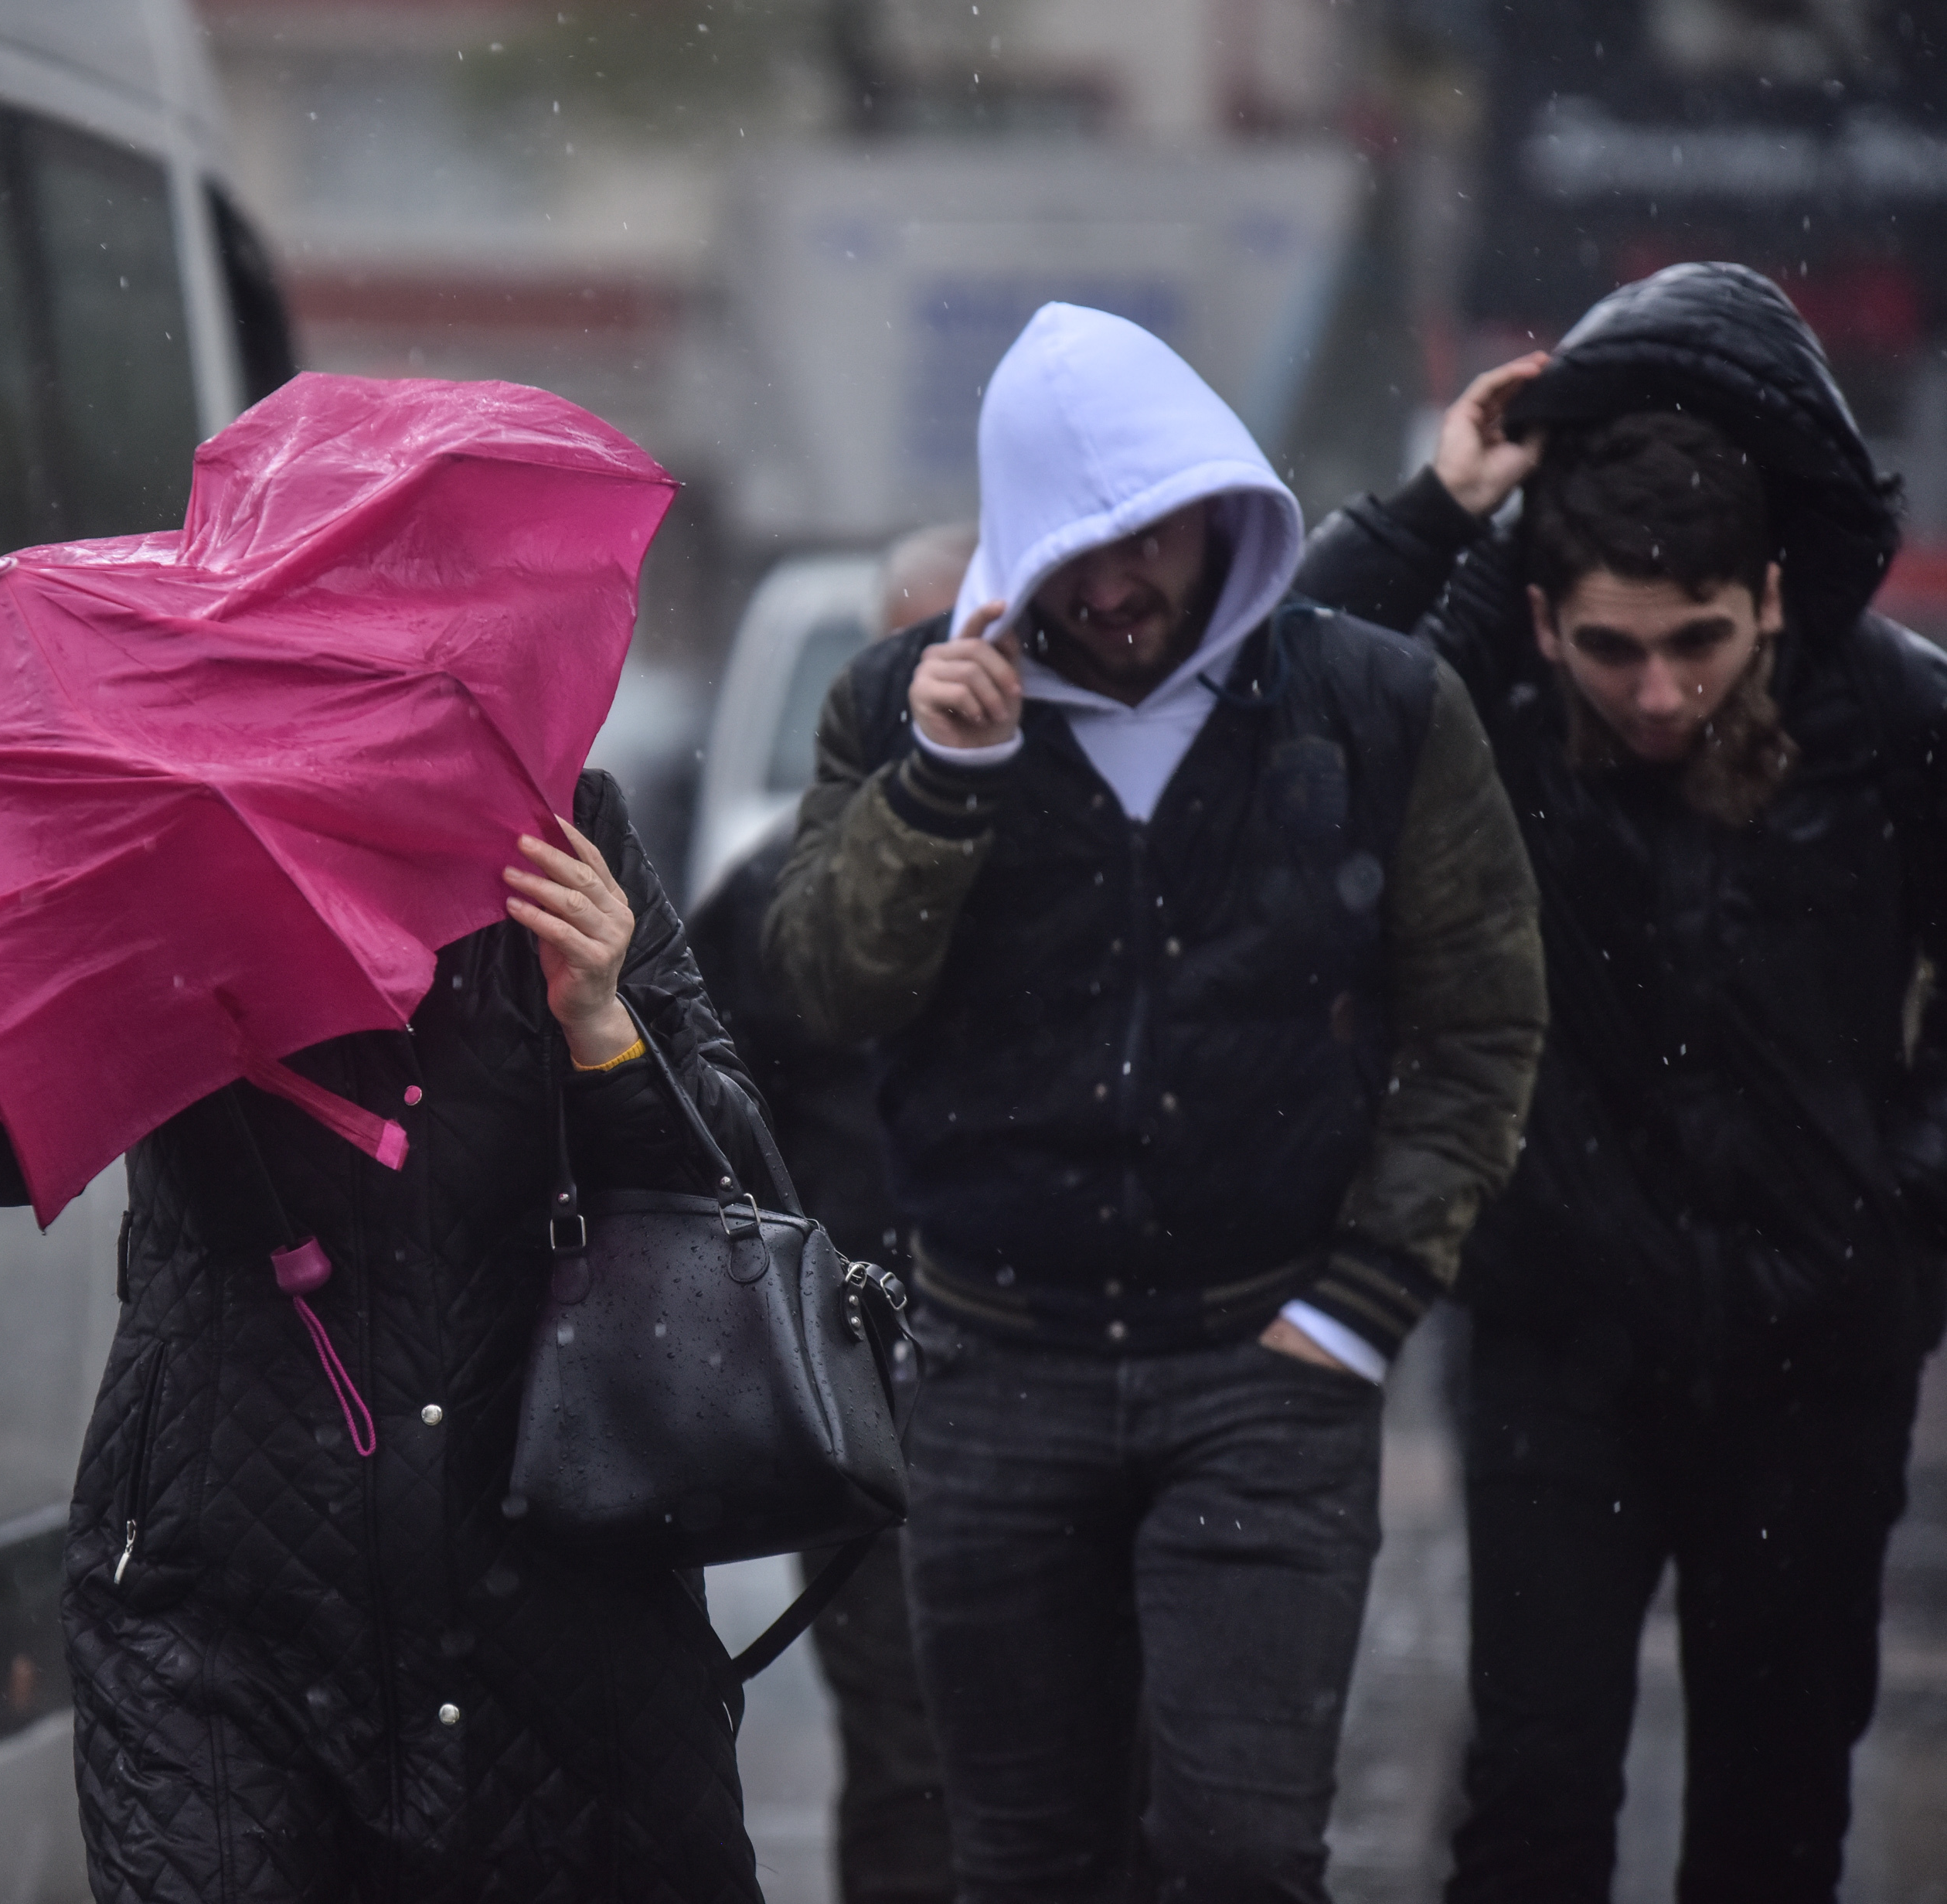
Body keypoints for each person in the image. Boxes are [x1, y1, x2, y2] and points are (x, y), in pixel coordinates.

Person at [762, 302, 1547, 1902]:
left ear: (1218, 503)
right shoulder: (893, 703)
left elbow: (1481, 1019)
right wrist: (939, 787)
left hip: (1264, 1357)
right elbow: (826, 987)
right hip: (989, 1362)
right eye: (1077, 553)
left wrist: (1364, 1298)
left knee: (1241, 1847)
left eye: (1150, 540)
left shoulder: (1374, 705)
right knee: (1024, 1854)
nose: (1116, 590)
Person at [1295, 260, 1947, 1904]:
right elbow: (1276, 706)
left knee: (1776, 1805)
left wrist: (1902, 1232)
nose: (1656, 690)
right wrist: (1434, 508)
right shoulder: (1490, 710)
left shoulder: (1899, 722)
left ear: (1774, 596)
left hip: (1819, 1350)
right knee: (1530, 1794)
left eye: (1697, 643)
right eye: (1611, 647)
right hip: (1556, 1346)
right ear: (1542, 613)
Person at [0, 775, 786, 1901]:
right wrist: (66, 944)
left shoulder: (555, 816)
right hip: (223, 1619)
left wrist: (603, 1025)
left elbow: (740, 1195)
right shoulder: (146, 828)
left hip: (565, 1623)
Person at [689, 518, 979, 1904]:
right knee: (908, 1740)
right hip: (867, 1380)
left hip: (1038, 1363)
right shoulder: (775, 897)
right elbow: (709, 1129)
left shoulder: (1081, 867)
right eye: (910, 649)